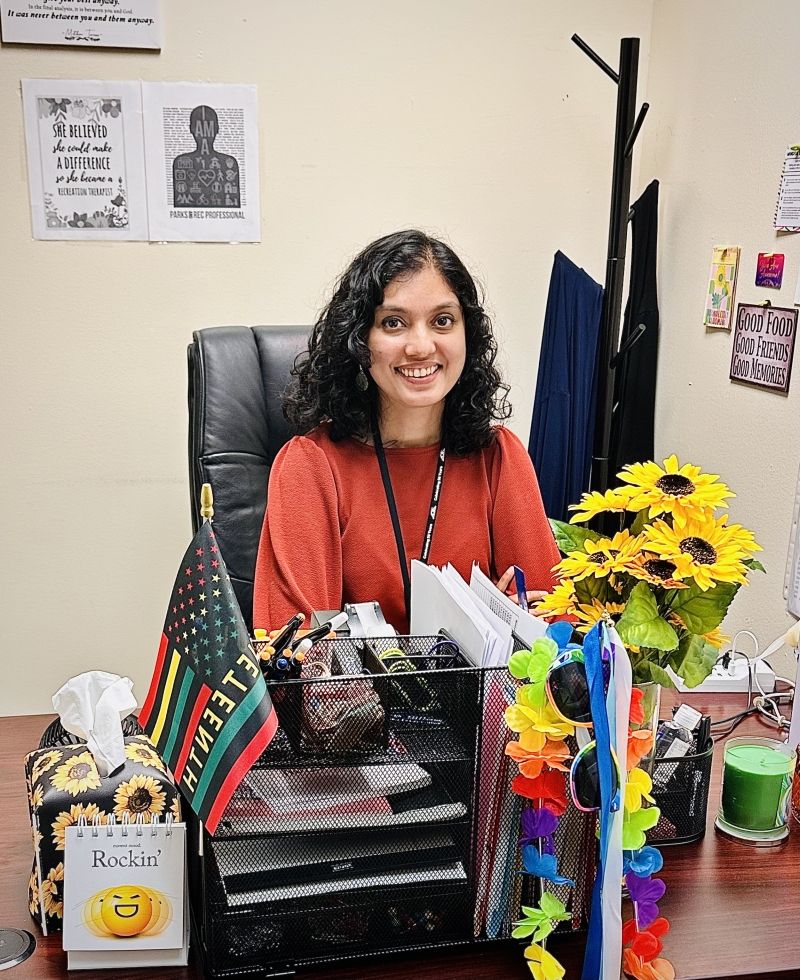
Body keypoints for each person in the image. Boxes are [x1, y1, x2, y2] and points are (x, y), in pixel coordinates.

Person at [253, 229, 559, 633]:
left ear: (468, 334)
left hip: (490, 697)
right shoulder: (311, 468)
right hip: (353, 698)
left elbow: (552, 624)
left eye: (443, 321)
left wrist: (509, 622)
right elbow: (295, 650)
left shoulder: (497, 457)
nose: (420, 346)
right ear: (359, 340)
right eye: (394, 323)